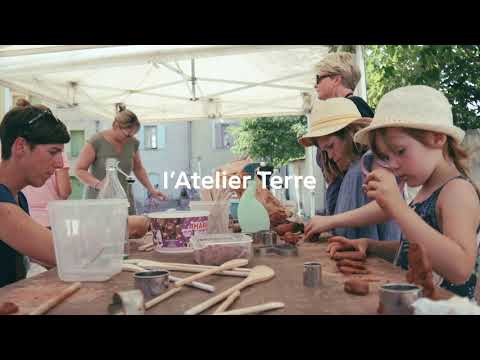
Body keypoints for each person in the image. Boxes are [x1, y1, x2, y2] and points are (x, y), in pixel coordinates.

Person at [327, 85, 480, 298]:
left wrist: (398, 208)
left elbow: (460, 268)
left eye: (400, 151)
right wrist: (370, 245)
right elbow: (413, 250)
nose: (393, 165)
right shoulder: (426, 189)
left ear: (437, 138)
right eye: (386, 157)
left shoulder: (457, 191)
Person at [300, 97, 402, 241]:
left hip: (381, 260)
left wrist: (331, 221)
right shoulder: (349, 171)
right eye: (325, 151)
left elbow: (388, 206)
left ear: (351, 134)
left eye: (331, 146)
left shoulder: (372, 159)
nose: (329, 156)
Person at [0, 102, 71, 287]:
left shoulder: (18, 198)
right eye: (53, 152)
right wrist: (121, 226)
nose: (59, 164)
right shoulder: (2, 204)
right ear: (21, 146)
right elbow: (64, 252)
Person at [312, 52, 374, 217]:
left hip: (354, 197)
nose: (315, 85)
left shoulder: (354, 107)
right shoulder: (355, 106)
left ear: (336, 79)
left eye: (318, 79)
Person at [75, 104, 166, 215]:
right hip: (98, 203)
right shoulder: (96, 141)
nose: (130, 138)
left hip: (124, 202)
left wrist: (151, 190)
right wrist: (99, 184)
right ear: (116, 126)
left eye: (134, 134)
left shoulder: (133, 142)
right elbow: (79, 170)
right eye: (128, 135)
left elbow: (138, 169)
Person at [15, 100, 73, 228]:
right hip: (50, 220)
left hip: (27, 220)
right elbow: (65, 191)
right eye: (52, 152)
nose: (58, 163)